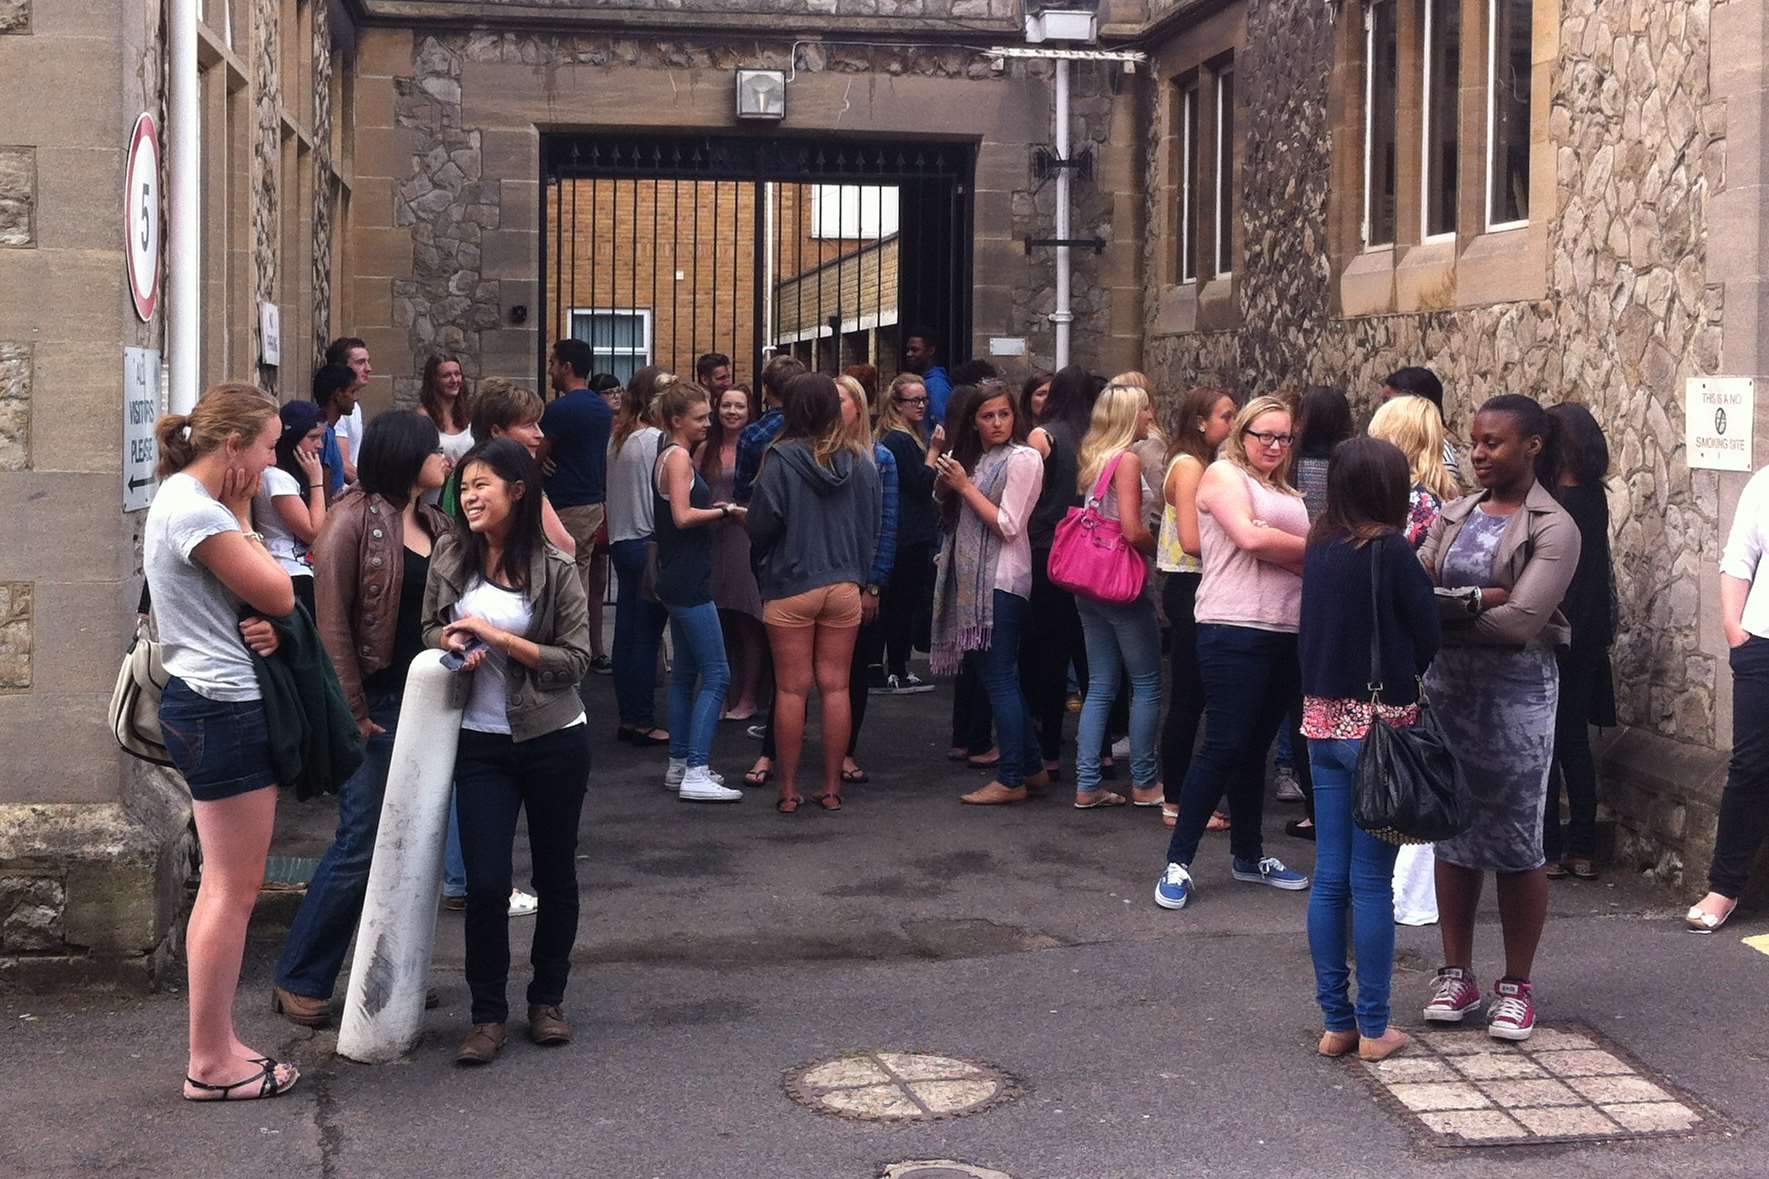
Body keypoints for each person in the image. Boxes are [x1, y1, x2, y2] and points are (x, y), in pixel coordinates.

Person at [271, 410, 454, 1028]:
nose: (446, 459)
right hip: (375, 705)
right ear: (407, 456)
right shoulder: (352, 519)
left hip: (427, 702)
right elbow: (332, 626)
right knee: (361, 842)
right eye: (435, 451)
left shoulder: (435, 520)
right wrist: (352, 712)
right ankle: (301, 976)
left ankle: (390, 972)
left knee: (414, 844)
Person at [146, 383, 301, 1101]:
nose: (274, 461)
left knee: (225, 885)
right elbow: (278, 592)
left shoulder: (187, 501)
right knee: (232, 889)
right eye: (269, 445)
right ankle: (209, 1061)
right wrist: (242, 514)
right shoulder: (199, 511)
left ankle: (217, 1047)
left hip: (206, 701)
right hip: (220, 705)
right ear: (233, 445)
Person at [424, 438, 594, 1065]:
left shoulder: (556, 566)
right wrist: (447, 638)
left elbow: (575, 660)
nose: (468, 497)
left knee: (555, 874)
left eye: (481, 486)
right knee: (488, 883)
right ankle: (487, 1016)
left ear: (517, 491)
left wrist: (498, 638)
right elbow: (427, 627)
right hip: (480, 742)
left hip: (553, 737)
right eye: (463, 487)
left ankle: (547, 1000)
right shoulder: (450, 556)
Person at [1418, 394, 1578, 1042]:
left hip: (1516, 696)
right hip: (1446, 689)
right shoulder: (1452, 512)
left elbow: (1522, 622)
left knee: (1516, 840)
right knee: (1450, 831)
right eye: (1474, 442)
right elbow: (1412, 590)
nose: (1478, 454)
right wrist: (1475, 597)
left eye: (1493, 443)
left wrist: (1443, 609)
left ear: (1531, 445)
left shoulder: (1554, 526)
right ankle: (1456, 971)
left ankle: (1516, 984)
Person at [1301, 437, 1442, 1063]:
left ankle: (1337, 1021)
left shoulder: (1319, 545)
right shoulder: (1389, 551)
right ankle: (1377, 1024)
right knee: (1371, 883)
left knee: (1329, 880)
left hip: (1322, 726)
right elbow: (1427, 633)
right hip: (1380, 733)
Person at [1155, 395, 1313, 910]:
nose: (1273, 445)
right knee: (1223, 744)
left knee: (1254, 749)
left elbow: (1297, 561)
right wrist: (1285, 542)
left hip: (1286, 629)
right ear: (1241, 435)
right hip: (1232, 625)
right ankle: (1178, 863)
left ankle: (1249, 856)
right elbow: (1246, 537)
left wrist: (1276, 540)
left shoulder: (1287, 491)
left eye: (1283, 437)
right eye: (1263, 435)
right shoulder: (1223, 475)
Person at [746, 373, 883, 813]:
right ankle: (831, 788)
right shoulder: (862, 460)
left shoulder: (780, 459)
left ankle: (788, 790)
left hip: (791, 582)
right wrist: (862, 577)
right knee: (836, 687)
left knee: (791, 690)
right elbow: (872, 524)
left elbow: (762, 526)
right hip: (843, 583)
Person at [930, 380, 1048, 805]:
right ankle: (1030, 768)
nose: (997, 423)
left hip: (1002, 580)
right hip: (973, 580)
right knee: (995, 676)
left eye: (1004, 414)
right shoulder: (978, 458)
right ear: (974, 422)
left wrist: (964, 487)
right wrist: (948, 478)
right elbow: (946, 506)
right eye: (987, 416)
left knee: (998, 677)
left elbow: (1009, 524)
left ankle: (1012, 776)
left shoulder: (1024, 458)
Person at [1070, 382, 1164, 810]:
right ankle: (1145, 782)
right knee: (1146, 684)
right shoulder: (1126, 460)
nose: (1150, 416)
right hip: (1120, 582)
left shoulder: (1095, 457)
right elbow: (1129, 528)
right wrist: (1157, 548)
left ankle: (1087, 782)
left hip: (1088, 582)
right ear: (1131, 416)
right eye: (1145, 410)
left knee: (1102, 684)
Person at [652, 382, 746, 802]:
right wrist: (724, 511)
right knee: (718, 673)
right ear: (676, 421)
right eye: (700, 417)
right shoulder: (677, 458)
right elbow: (682, 515)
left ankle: (679, 764)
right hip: (688, 580)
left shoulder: (672, 455)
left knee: (686, 674)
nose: (708, 423)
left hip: (679, 575)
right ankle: (696, 768)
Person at [1537, 403, 1618, 882]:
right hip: (1588, 632)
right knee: (1574, 741)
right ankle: (1582, 845)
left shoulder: (1552, 502)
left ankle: (1547, 847)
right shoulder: (1593, 497)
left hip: (1555, 630)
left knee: (1547, 743)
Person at [1690, 460, 1769, 932]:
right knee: (1751, 767)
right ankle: (1724, 888)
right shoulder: (1765, 481)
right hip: (1762, 642)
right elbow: (1739, 557)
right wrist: (1733, 629)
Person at [1157, 387, 1238, 829]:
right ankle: (1176, 799)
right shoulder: (1189, 466)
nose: (1233, 422)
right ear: (1200, 423)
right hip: (1190, 585)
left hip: (1195, 586)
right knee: (1188, 698)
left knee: (1194, 696)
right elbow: (1191, 540)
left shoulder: (1200, 463)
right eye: (1226, 415)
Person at [1021, 366, 1091, 778]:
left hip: (1047, 549)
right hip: (1090, 552)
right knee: (1088, 653)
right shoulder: (1098, 442)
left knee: (1047, 651)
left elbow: (1030, 497)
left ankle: (1048, 747)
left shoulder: (1043, 437)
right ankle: (1099, 748)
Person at [606, 366, 677, 745]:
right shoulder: (656, 440)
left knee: (627, 633)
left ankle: (629, 717)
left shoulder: (619, 437)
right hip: (649, 541)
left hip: (622, 540)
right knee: (647, 636)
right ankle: (644, 720)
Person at [835, 374, 898, 784]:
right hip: (818, 575)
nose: (833, 406)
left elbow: (887, 525)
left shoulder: (881, 457)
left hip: (859, 578)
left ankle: (845, 752)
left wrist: (874, 584)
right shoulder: (810, 452)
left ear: (858, 406)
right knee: (794, 676)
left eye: (841, 400)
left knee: (854, 671)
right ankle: (773, 752)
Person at [539, 339, 615, 659]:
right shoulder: (602, 408)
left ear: (567, 367)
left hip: (563, 505)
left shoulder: (558, 410)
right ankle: (581, 651)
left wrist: (541, 460)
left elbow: (535, 453)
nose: (551, 369)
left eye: (554, 363)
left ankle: (564, 653)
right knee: (580, 579)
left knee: (556, 582)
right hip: (593, 504)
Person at [698, 384, 766, 717]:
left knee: (747, 617)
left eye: (739, 406)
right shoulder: (704, 450)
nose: (732, 412)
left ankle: (750, 697)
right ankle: (720, 692)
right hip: (711, 538)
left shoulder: (756, 448)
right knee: (717, 619)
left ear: (749, 410)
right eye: (726, 405)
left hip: (744, 536)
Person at [874, 372, 941, 695]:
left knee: (904, 602)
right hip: (906, 533)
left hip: (913, 531)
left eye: (924, 399)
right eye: (913, 400)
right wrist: (934, 453)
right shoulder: (898, 440)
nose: (921, 405)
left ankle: (892, 667)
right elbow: (917, 483)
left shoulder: (910, 435)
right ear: (896, 404)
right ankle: (896, 668)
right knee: (901, 603)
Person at [255, 401, 329, 619]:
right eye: (313, 437)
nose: (320, 445)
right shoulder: (276, 478)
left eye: (321, 438)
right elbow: (314, 531)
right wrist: (317, 481)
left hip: (304, 569)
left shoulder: (290, 477)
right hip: (290, 571)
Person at [1367, 394, 1458, 548]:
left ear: (1401, 441)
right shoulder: (1440, 492)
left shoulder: (1416, 502)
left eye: (1378, 439)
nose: (1372, 447)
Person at [733, 355, 808, 505]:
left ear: (766, 388)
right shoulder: (816, 425)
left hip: (767, 513)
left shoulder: (753, 434)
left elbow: (742, 492)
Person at [1381, 366, 1461, 484]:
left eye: (1391, 403)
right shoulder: (1394, 450)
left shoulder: (1439, 460)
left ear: (1420, 407)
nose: (1383, 411)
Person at [418, 354, 477, 505]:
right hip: (435, 496)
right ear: (434, 380)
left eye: (457, 374)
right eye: (446, 375)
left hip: (467, 493)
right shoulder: (423, 417)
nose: (454, 380)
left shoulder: (470, 415)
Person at [325, 337, 373, 485]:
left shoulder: (353, 406)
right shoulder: (338, 406)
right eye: (360, 362)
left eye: (367, 361)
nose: (368, 368)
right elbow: (343, 466)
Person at [312, 363, 359, 498]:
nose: (356, 398)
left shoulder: (330, 432)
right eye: (352, 392)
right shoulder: (324, 435)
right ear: (338, 395)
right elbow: (324, 480)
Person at [904, 325, 955, 431]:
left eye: (915, 350)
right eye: (908, 349)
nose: (909, 354)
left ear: (931, 351)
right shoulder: (925, 381)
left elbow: (940, 425)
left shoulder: (936, 385)